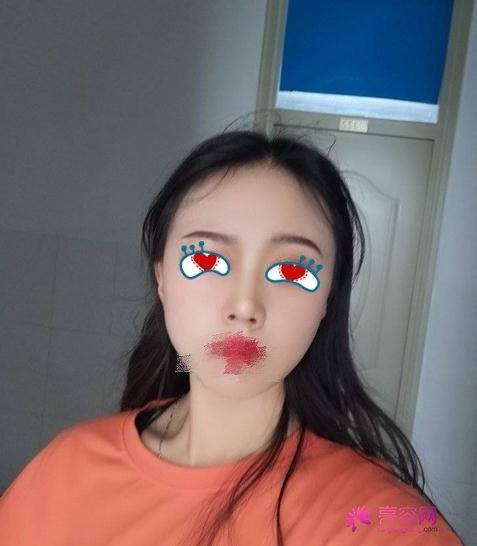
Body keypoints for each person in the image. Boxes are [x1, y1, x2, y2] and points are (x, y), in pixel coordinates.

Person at [0, 129, 466, 545]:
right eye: (205, 261)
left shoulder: (380, 523)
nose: (245, 305)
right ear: (161, 277)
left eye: (292, 270)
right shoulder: (67, 469)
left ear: (327, 301)